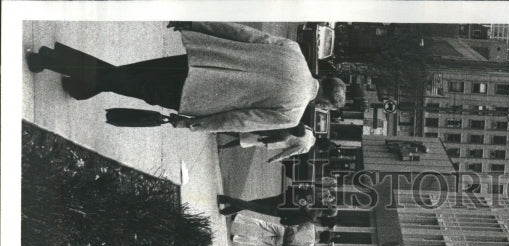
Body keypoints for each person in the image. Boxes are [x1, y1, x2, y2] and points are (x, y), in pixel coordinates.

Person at [26, 22, 326, 133]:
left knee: (125, 75)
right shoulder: (292, 114)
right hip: (192, 95)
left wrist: (198, 24)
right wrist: (193, 124)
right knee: (121, 79)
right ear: (324, 104)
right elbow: (240, 120)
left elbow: (244, 33)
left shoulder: (293, 51)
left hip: (195, 61)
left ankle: (69, 73)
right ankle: (52, 60)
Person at [217, 124, 317, 163]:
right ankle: (222, 144)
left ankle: (220, 131)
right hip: (273, 140)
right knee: (245, 140)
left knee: (245, 132)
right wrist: (274, 159)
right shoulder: (306, 147)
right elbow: (288, 153)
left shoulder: (309, 129)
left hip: (275, 126)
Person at [229, 213, 316, 246]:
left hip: (285, 230)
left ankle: (238, 218)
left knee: (262, 223)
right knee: (258, 241)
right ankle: (235, 238)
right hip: (283, 242)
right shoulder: (310, 245)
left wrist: (287, 223)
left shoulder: (311, 226)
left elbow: (297, 222)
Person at [218, 193, 337, 222]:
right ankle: (225, 199)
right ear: (327, 215)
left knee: (255, 203)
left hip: (284, 199)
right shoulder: (313, 216)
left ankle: (227, 210)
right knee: (252, 206)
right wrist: (284, 220)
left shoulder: (316, 199)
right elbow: (293, 221)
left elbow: (304, 193)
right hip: (280, 211)